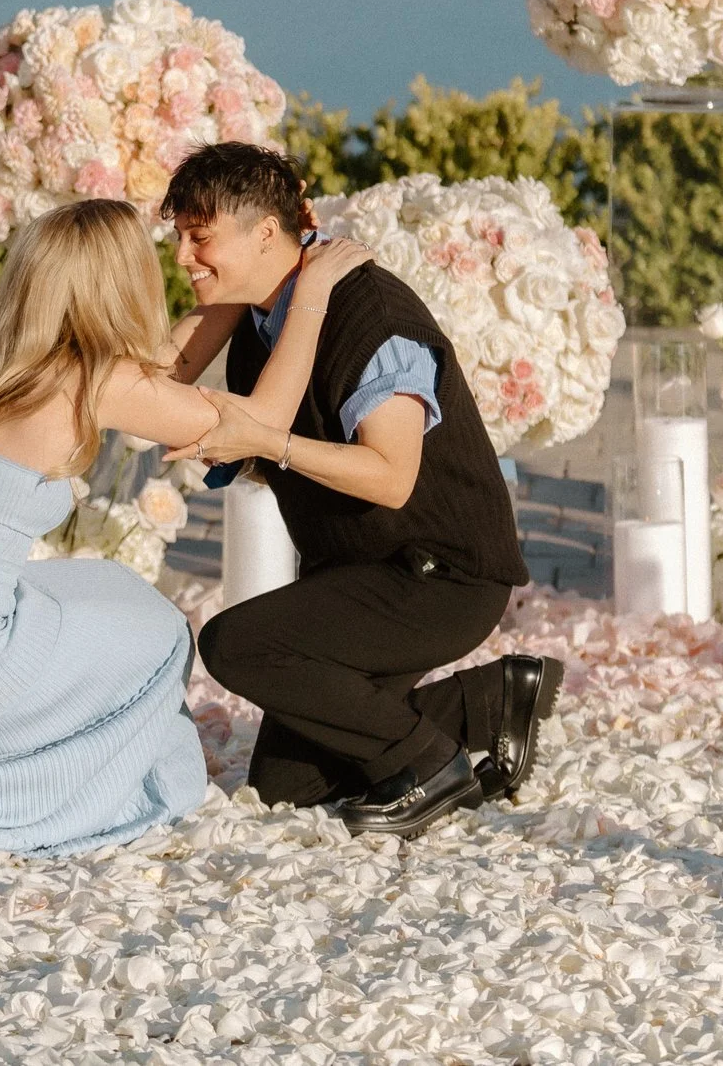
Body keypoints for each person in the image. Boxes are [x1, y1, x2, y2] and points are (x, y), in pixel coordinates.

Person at [0, 196, 369, 857]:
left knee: (107, 587)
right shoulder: (88, 378)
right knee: (161, 635)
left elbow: (160, 378)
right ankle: (30, 792)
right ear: (120, 286)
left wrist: (235, 287)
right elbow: (258, 422)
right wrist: (311, 290)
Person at [161, 142, 561, 840]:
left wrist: (269, 442)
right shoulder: (261, 313)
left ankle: (431, 763)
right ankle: (491, 700)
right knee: (287, 787)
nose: (183, 256)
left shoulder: (371, 315)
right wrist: (225, 289)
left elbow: (391, 474)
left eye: (200, 237)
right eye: (179, 238)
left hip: (440, 577)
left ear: (264, 232)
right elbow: (164, 372)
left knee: (235, 643)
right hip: (362, 574)